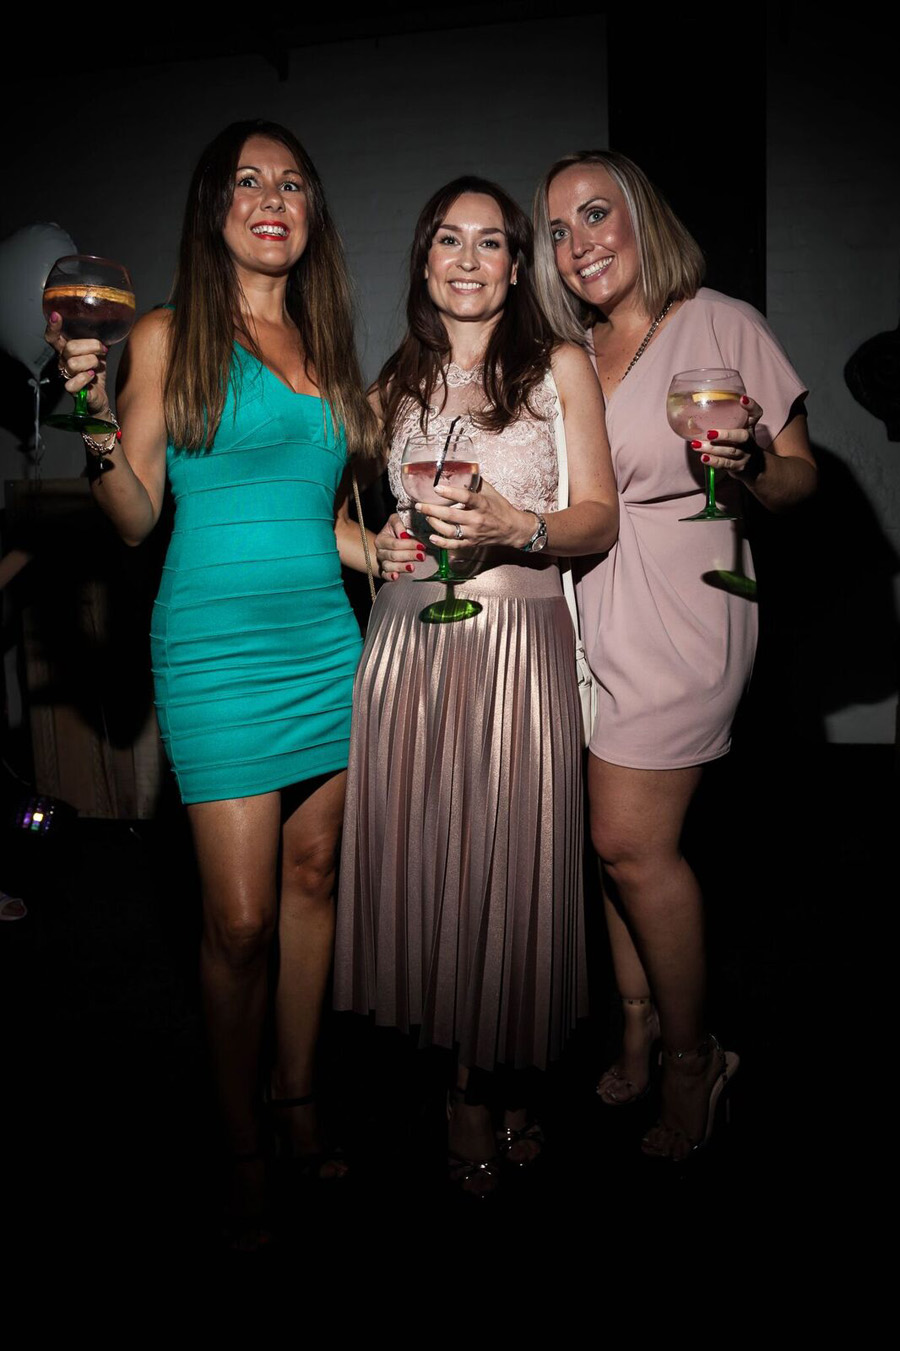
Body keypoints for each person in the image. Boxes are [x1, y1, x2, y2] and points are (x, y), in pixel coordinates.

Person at [45, 120, 379, 1243]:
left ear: (312, 213)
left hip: (324, 644)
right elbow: (136, 515)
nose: (272, 197)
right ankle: (238, 1136)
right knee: (238, 922)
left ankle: (299, 1099)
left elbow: (317, 513)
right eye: (248, 181)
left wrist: (386, 550)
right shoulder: (168, 332)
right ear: (214, 208)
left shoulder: (324, 343)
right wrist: (93, 418)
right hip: (216, 654)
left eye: (293, 182)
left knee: (316, 880)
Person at [333, 176, 618, 1195]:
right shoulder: (391, 385)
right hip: (410, 647)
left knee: (510, 868)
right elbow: (316, 504)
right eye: (448, 239)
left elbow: (599, 516)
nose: (467, 259)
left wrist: (519, 526)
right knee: (439, 869)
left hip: (518, 643)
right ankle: (466, 1086)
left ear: (516, 264)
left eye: (490, 242)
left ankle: (500, 1061)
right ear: (424, 261)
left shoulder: (559, 366)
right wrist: (369, 550)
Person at [533, 150, 817, 1160]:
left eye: (595, 214)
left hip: (688, 610)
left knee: (629, 840)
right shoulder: (573, 350)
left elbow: (799, 481)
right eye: (558, 231)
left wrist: (752, 464)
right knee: (611, 844)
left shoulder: (719, 321)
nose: (578, 244)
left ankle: (697, 1057)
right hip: (590, 616)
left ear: (641, 216)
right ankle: (640, 1022)